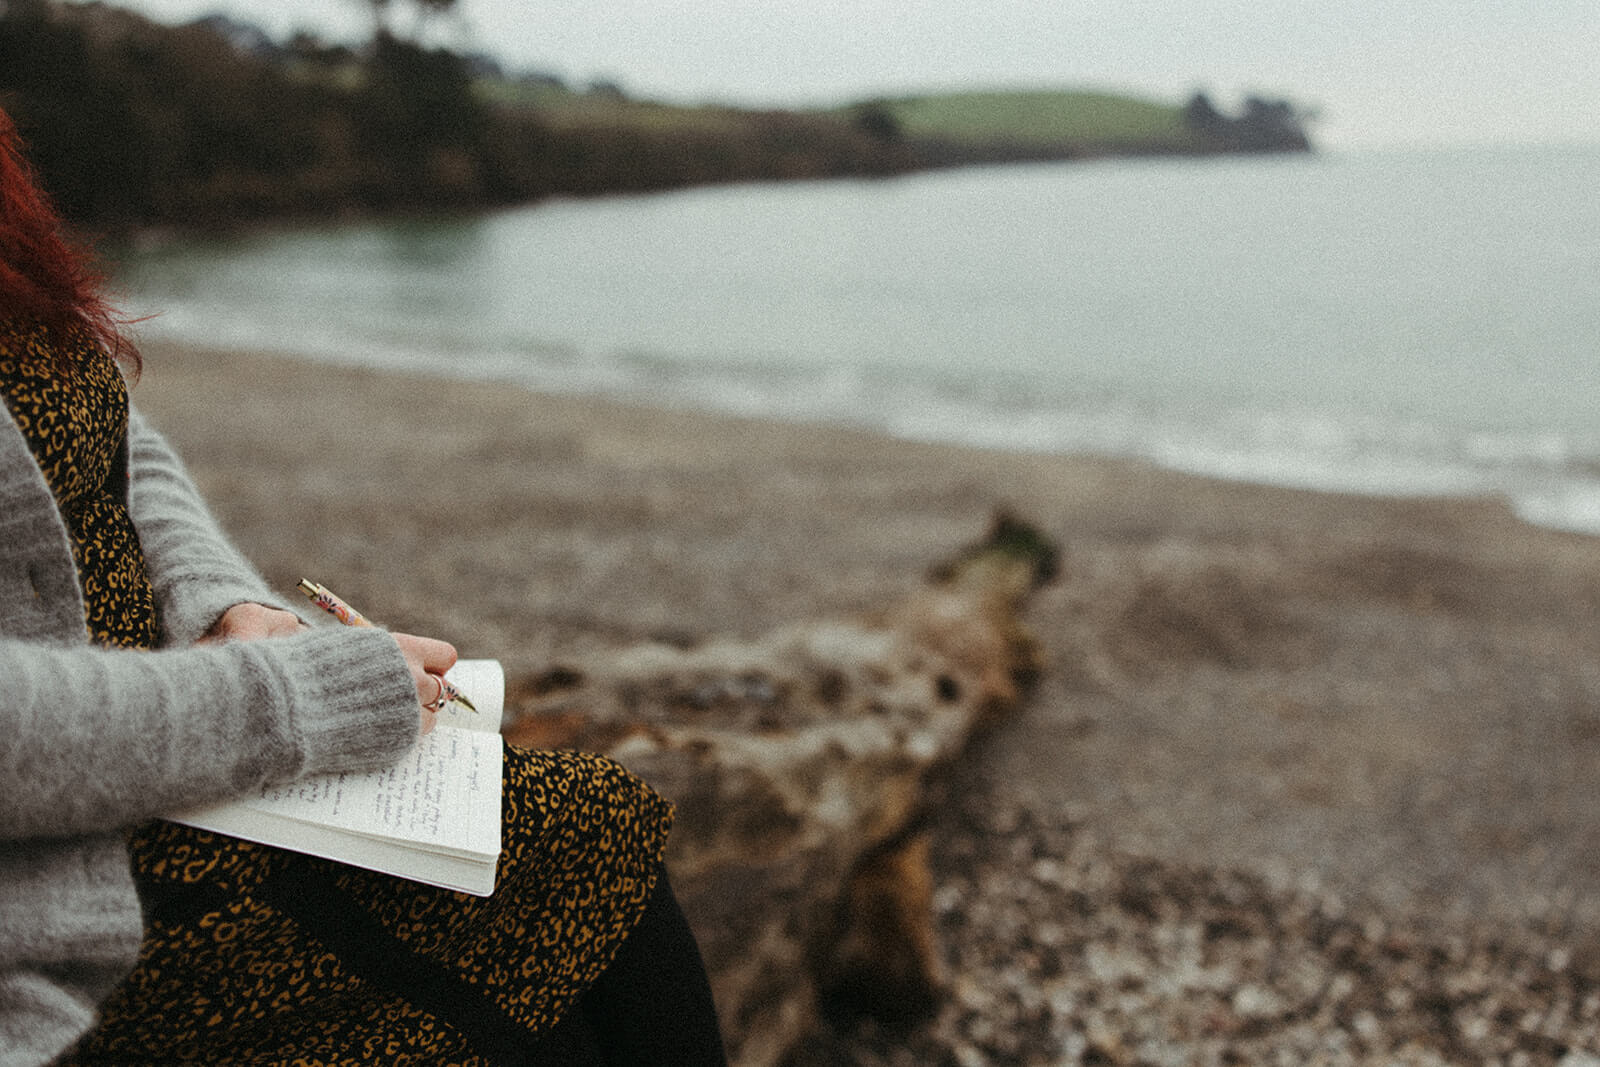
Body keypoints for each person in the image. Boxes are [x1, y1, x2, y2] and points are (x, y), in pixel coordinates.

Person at [0, 106, 726, 1066]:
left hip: (180, 756)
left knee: (596, 830)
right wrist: (293, 698)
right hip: (69, 874)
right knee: (555, 922)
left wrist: (226, 604)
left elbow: (113, 442)